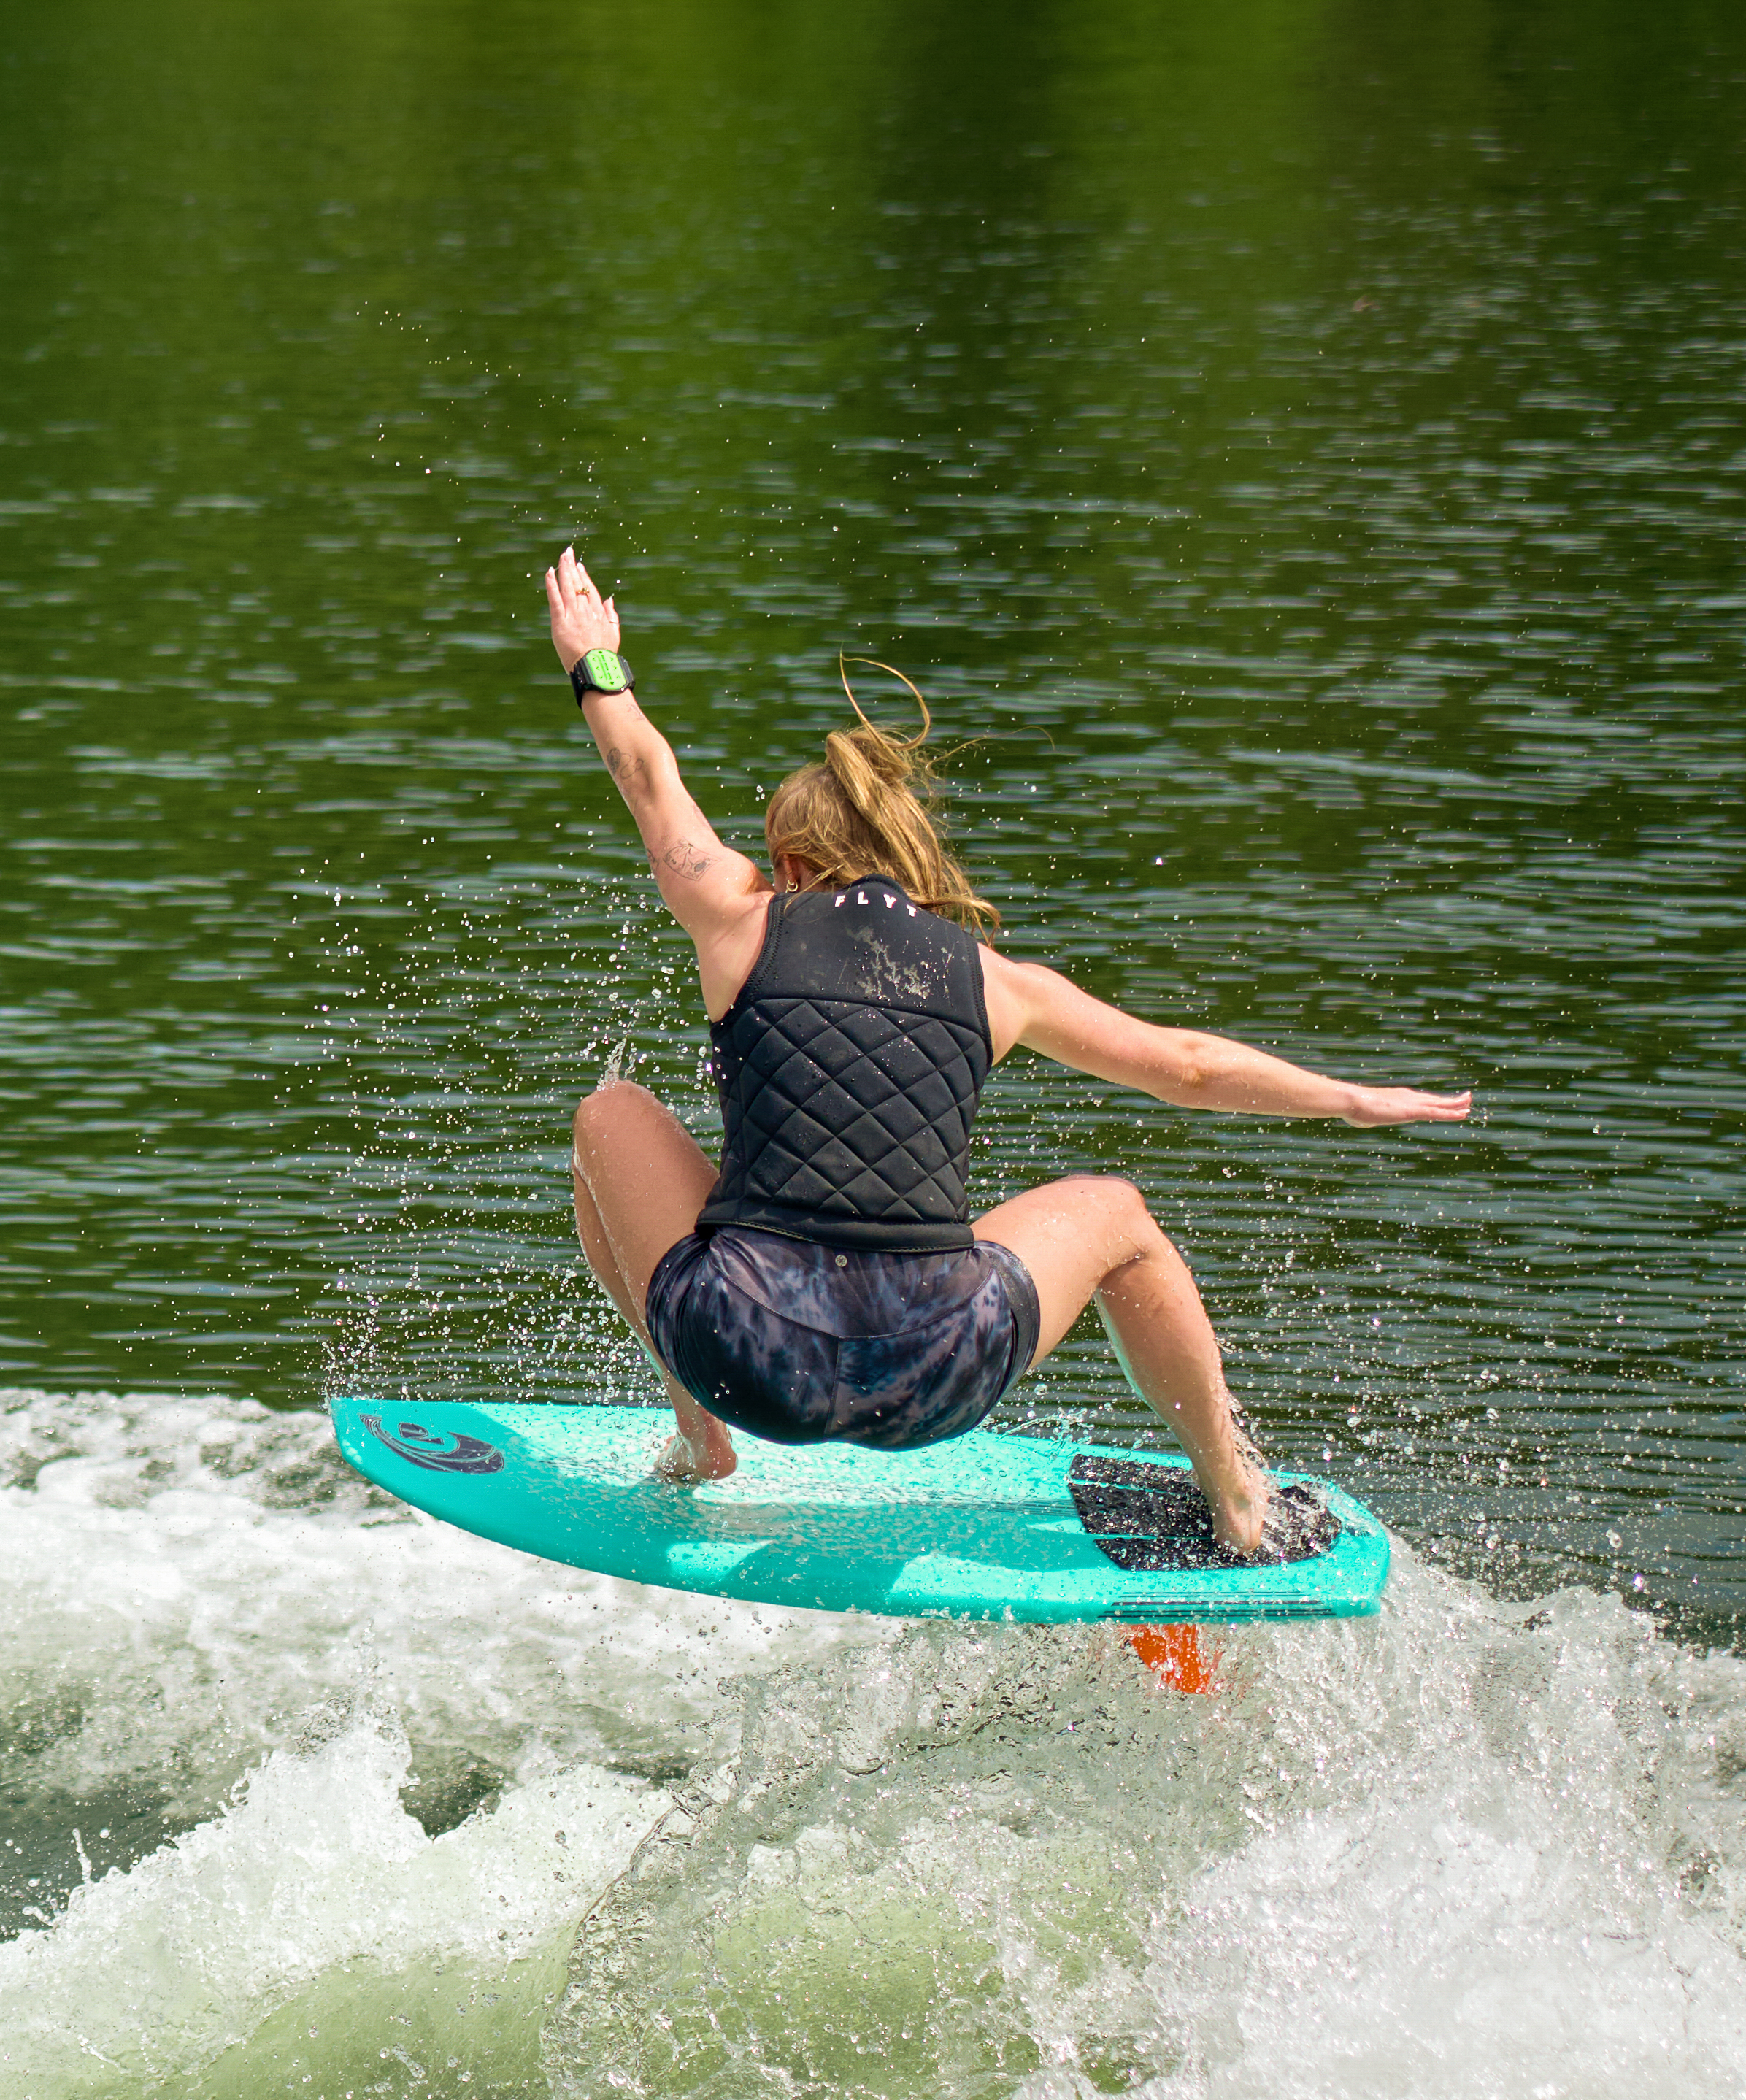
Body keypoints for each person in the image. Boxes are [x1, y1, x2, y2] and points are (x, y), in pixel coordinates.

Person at [541, 551, 1470, 1558]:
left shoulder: (738, 915)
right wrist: (1349, 1099)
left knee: (607, 1114)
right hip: (936, 1375)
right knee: (1118, 1215)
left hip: (745, 1354)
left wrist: (596, 659)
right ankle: (1237, 1493)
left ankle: (703, 1436)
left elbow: (644, 769)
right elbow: (1188, 1066)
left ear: (797, 865)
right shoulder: (999, 980)